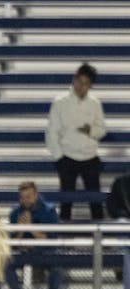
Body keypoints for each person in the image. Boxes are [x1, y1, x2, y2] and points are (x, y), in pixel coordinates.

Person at [46, 63, 107, 221]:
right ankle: (62, 242)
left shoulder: (95, 103)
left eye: (86, 83)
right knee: (66, 203)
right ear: (74, 80)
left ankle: (100, 242)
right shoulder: (60, 102)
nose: (81, 86)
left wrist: (90, 130)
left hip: (90, 157)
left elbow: (102, 130)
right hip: (67, 157)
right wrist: (59, 157)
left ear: (91, 85)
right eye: (79, 81)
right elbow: (52, 131)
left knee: (95, 203)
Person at [5, 181, 63, 289]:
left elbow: (50, 239)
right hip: (23, 251)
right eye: (22, 197)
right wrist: (20, 230)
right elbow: (13, 242)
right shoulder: (15, 212)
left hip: (44, 251)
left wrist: (31, 228)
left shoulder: (49, 210)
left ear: (36, 195)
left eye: (28, 197)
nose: (25, 200)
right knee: (5, 263)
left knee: (57, 266)